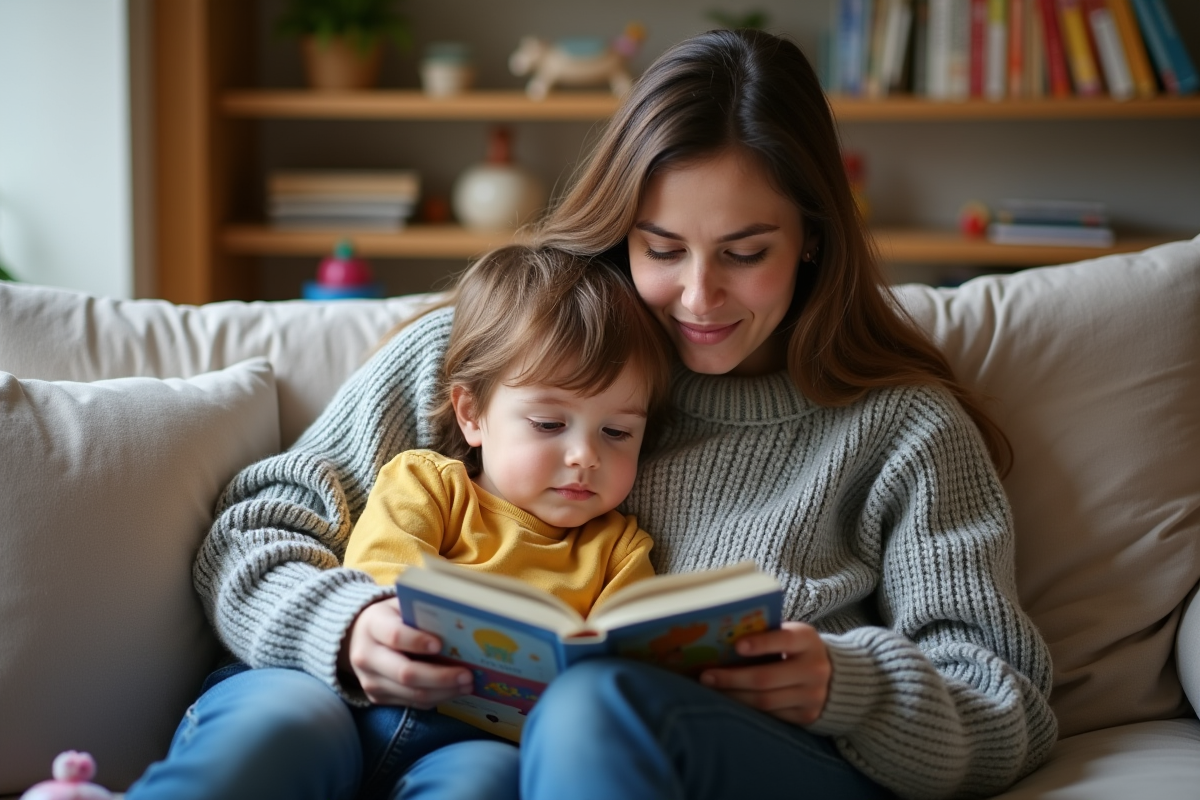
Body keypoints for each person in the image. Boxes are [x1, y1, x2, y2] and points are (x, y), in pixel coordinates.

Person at [130, 27, 1056, 800]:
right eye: (662, 248)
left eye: (745, 251)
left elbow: (1007, 706)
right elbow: (255, 527)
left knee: (582, 712)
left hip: (739, 759)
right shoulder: (505, 348)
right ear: (622, 229)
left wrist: (846, 685)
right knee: (284, 718)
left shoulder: (903, 430)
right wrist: (341, 628)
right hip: (367, 713)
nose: (698, 295)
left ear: (813, 237)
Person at [337, 243, 672, 793]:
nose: (585, 456)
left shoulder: (619, 550)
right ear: (471, 413)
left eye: (617, 432)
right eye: (547, 423)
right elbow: (378, 577)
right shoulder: (430, 486)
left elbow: (621, 667)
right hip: (362, 704)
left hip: (476, 747)